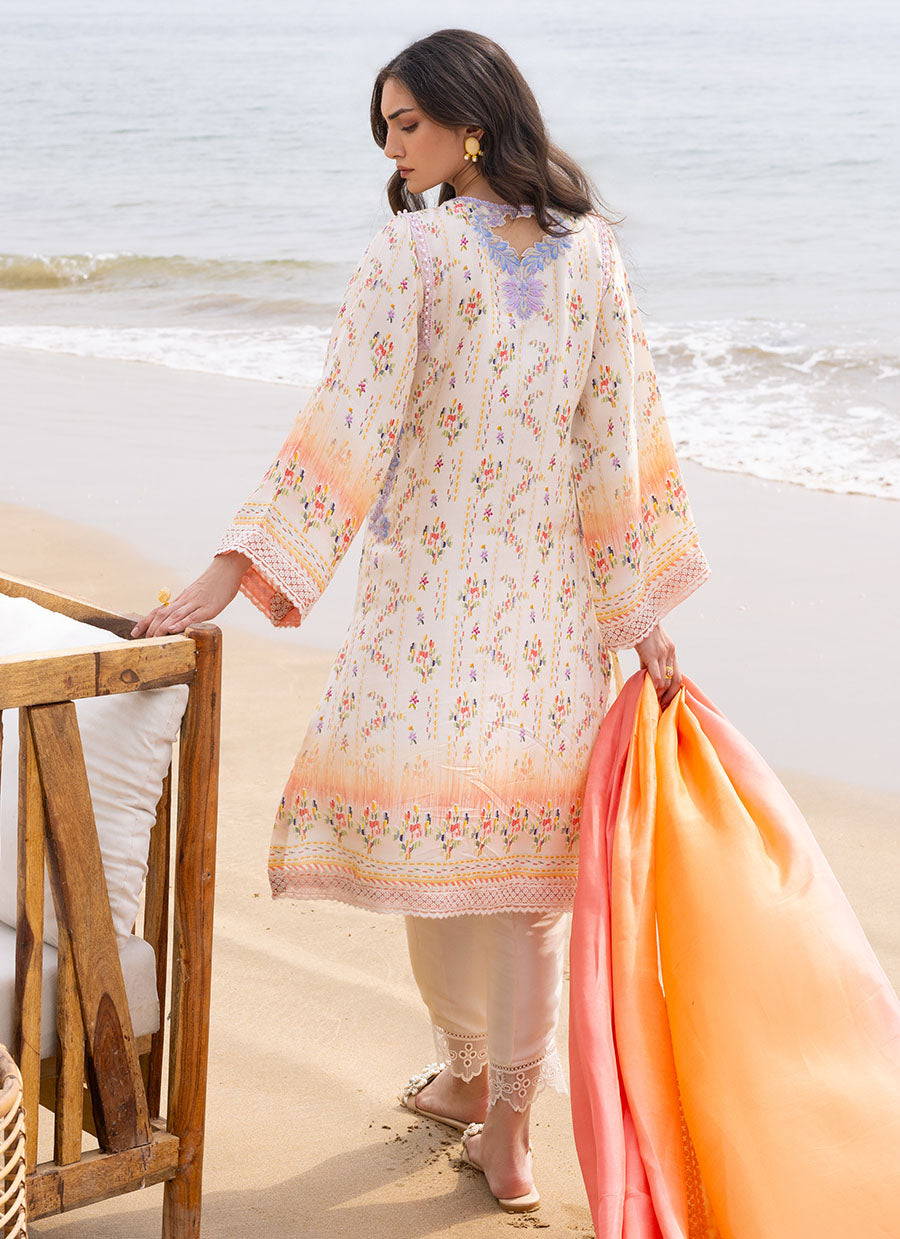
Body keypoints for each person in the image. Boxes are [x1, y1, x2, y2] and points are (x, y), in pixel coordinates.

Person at [133, 28, 710, 1215]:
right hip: (546, 616)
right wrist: (639, 605)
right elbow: (623, 449)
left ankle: (484, 1093)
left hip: (449, 617)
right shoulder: (588, 257)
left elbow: (349, 423)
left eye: (406, 123)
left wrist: (236, 569)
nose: (394, 149)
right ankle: (495, 1112)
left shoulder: (414, 255)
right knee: (504, 879)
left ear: (472, 122)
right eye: (385, 129)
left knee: (455, 856)